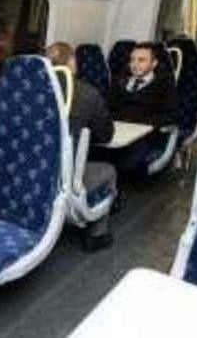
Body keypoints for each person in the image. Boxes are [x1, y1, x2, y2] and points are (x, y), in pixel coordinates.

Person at [45, 42, 116, 250]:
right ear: (72, 62)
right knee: (109, 171)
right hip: (63, 177)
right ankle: (97, 235)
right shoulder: (88, 94)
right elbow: (106, 135)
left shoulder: (29, 91)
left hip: (34, 170)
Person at [106, 41, 178, 174]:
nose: (135, 64)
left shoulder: (164, 85)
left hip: (145, 137)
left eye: (141, 60)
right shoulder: (119, 81)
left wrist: (138, 122)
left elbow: (171, 115)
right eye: (132, 60)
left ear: (154, 63)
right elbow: (107, 109)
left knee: (128, 163)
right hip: (117, 133)